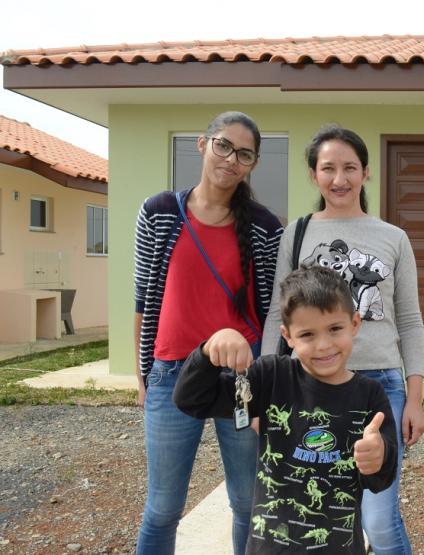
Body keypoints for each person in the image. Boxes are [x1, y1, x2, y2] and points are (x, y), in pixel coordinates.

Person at [261, 125, 424, 554]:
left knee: (380, 521)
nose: (340, 179)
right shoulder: (295, 233)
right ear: (314, 175)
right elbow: (278, 314)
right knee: (320, 513)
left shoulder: (394, 238)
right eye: (328, 168)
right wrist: (262, 390)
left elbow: (409, 321)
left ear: (366, 173)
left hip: (381, 386)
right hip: (310, 388)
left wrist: (414, 398)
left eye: (350, 167)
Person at [133, 111, 284, 555]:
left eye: (244, 154)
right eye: (223, 145)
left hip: (242, 378)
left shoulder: (264, 225)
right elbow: (143, 298)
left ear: (252, 164)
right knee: (162, 509)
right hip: (171, 372)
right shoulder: (159, 211)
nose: (231, 159)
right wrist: (142, 373)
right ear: (203, 144)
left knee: (248, 502)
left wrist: (270, 379)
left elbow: (273, 310)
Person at [173, 265, 398, 554]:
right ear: (288, 336)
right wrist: (208, 353)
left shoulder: (370, 394)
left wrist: (378, 457)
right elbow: (192, 400)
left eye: (335, 329)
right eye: (307, 335)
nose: (324, 345)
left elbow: (381, 479)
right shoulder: (270, 376)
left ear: (355, 323)